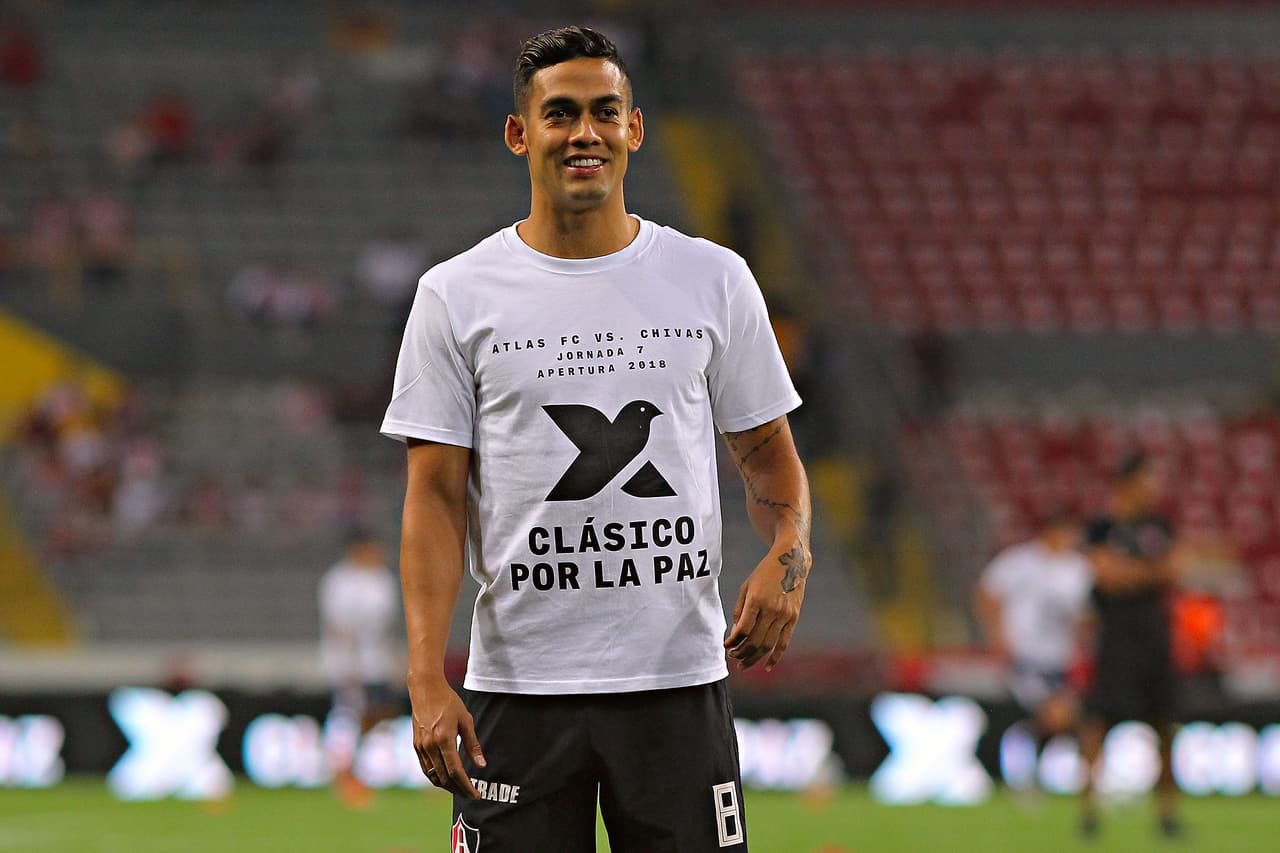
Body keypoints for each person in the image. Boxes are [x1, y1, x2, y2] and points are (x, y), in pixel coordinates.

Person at [380, 26, 809, 852]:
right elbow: (432, 498)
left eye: (605, 112)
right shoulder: (454, 296)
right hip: (519, 690)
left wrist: (791, 550)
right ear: (519, 133)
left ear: (634, 128)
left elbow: (768, 456)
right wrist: (424, 676)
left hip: (677, 687)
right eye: (561, 113)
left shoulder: (713, 278)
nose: (585, 132)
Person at [1078, 452, 1181, 838]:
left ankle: (1167, 815)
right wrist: (1147, 572)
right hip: (1116, 637)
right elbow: (1107, 578)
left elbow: (1172, 570)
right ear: (1129, 484)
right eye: (1149, 479)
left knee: (1165, 724)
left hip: (1154, 637)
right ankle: (1089, 813)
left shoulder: (1159, 525)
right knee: (1098, 721)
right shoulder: (1102, 527)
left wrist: (1131, 572)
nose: (1155, 488)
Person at [974, 510, 1091, 789]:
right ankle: (1023, 772)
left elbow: (1086, 615)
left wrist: (1082, 633)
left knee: (1056, 718)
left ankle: (1027, 771)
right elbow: (986, 594)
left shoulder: (1078, 568)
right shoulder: (1019, 561)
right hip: (1025, 655)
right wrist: (997, 636)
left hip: (1059, 659)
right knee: (1052, 713)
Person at [318, 529, 402, 807]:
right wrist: (348, 665)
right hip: (348, 662)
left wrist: (393, 661)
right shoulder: (339, 581)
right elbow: (338, 625)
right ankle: (342, 774)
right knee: (347, 715)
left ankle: (362, 768)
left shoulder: (382, 580)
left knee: (378, 715)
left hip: (376, 662)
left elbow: (387, 626)